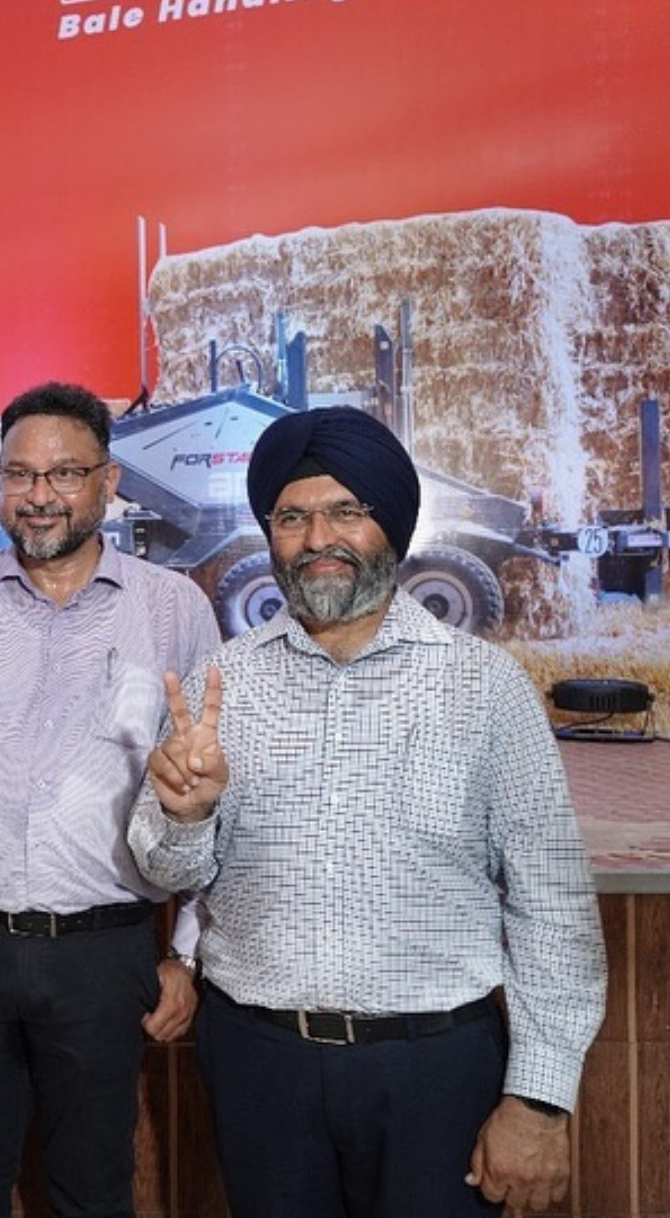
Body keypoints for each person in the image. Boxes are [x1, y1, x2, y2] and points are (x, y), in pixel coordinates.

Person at [128, 405, 607, 1217]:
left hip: (437, 1072)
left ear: (393, 524)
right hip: (259, 1066)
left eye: (346, 510)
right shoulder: (222, 682)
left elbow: (553, 908)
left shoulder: (485, 687)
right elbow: (165, 867)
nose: (319, 538)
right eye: (291, 517)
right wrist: (185, 816)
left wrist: (539, 1099)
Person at [0, 381, 218, 1217]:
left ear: (109, 482)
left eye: (65, 473)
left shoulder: (172, 607)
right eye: (18, 475)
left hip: (103, 954)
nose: (39, 495)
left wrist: (185, 954)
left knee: (92, 1190)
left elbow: (208, 788)